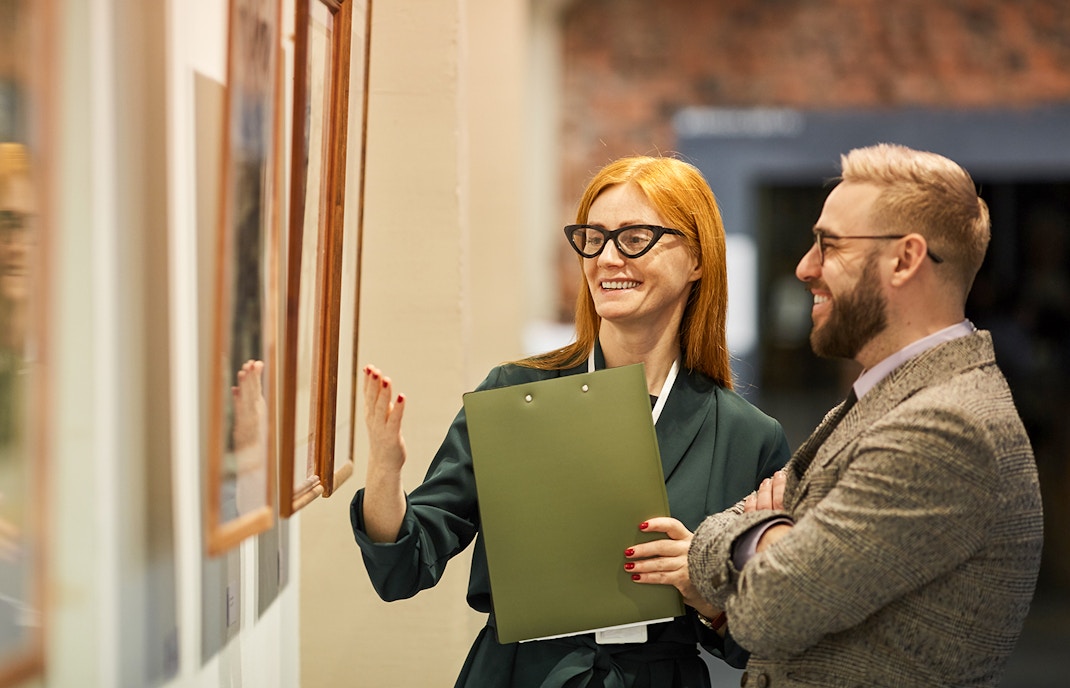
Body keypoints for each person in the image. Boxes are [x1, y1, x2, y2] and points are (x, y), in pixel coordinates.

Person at [351, 155, 791, 687]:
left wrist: (702, 590)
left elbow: (764, 640)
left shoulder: (748, 436)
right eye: (594, 237)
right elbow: (404, 567)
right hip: (519, 675)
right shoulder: (513, 394)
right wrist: (385, 470)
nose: (607, 258)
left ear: (697, 257)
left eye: (634, 238)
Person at [688, 143, 1044, 687]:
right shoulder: (888, 399)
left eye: (829, 246)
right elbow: (731, 560)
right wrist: (778, 537)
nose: (806, 268)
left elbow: (766, 612)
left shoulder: (945, 427)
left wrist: (752, 530)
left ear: (905, 259)